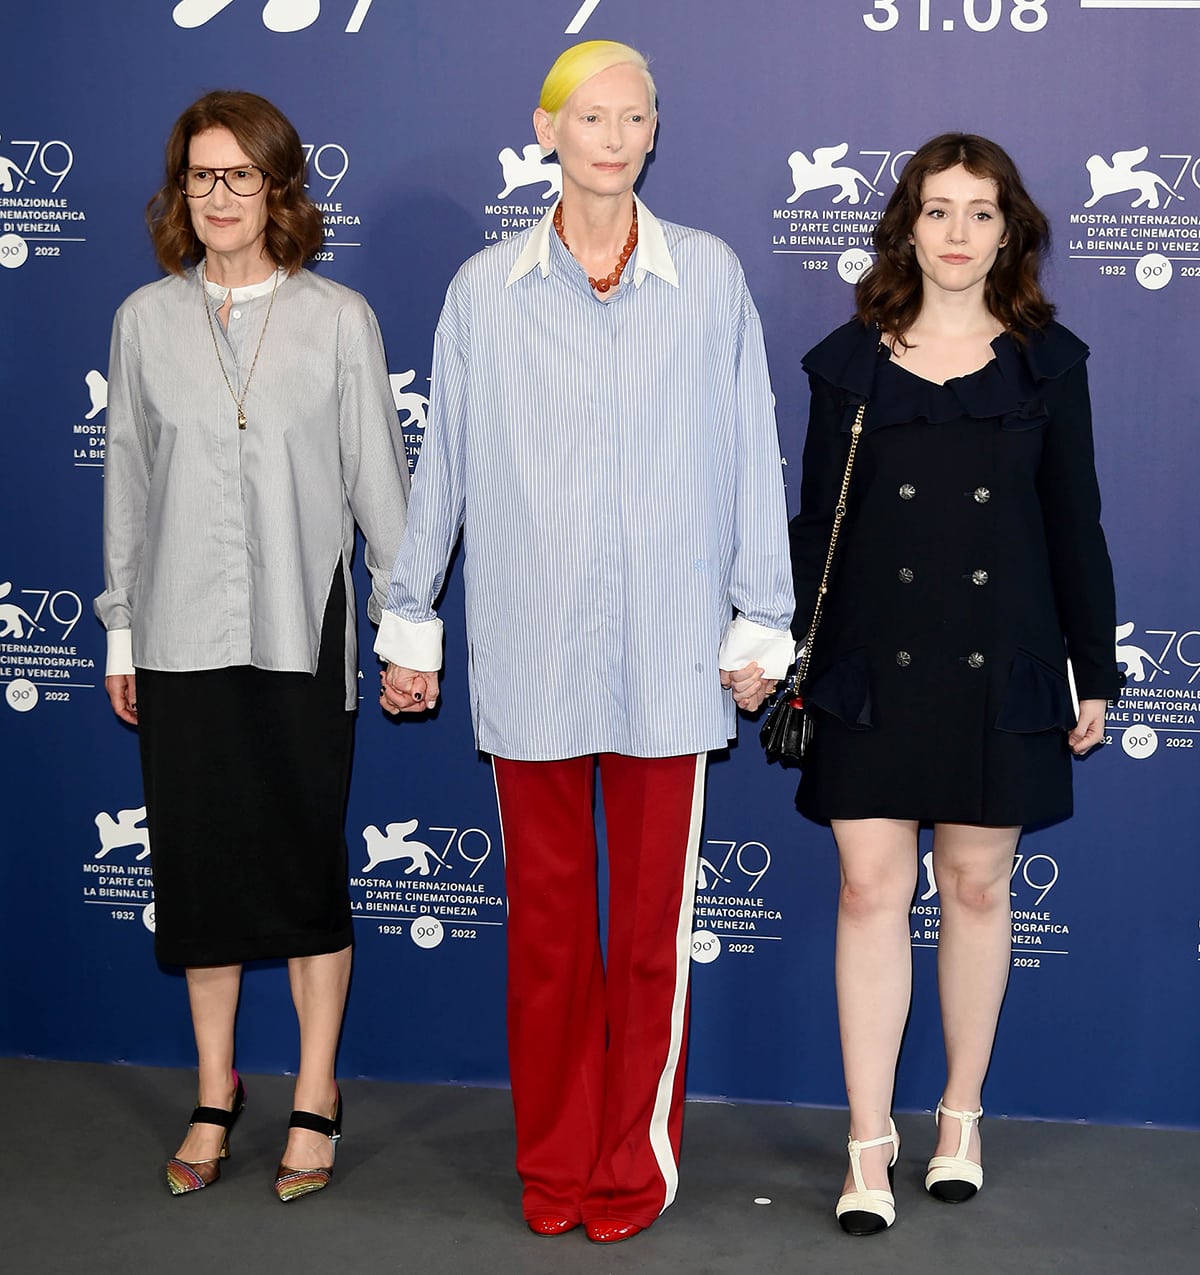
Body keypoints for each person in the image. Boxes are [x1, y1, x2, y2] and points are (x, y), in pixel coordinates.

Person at [376, 40, 793, 1243]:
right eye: (590, 117)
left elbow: (749, 458)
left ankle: (629, 1169)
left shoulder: (708, 278)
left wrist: (762, 615)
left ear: (655, 135)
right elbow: (442, 470)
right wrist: (412, 625)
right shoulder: (481, 292)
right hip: (531, 660)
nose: (613, 138)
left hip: (671, 666)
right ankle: (553, 1168)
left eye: (634, 118)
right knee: (551, 943)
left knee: (648, 945)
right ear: (546, 128)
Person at [789, 133, 1120, 1235]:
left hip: (1003, 658)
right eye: (939, 211)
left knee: (978, 891)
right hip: (872, 659)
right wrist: (780, 646)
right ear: (907, 227)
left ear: (1011, 231)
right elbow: (811, 533)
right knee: (868, 893)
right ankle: (867, 1139)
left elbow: (1078, 528)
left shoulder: (1049, 363)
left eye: (982, 213)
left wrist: (1096, 674)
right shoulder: (849, 363)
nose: (960, 234)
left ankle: (962, 1116)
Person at [95, 90, 409, 1201]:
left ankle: (316, 1094)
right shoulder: (143, 320)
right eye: (200, 176)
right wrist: (120, 628)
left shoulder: (336, 319)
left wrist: (403, 625)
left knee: (305, 869)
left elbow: (383, 488)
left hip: (301, 639)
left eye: (241, 176)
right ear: (179, 191)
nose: (219, 197)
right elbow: (127, 488)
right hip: (178, 637)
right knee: (203, 877)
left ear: (281, 188)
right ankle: (216, 1091)